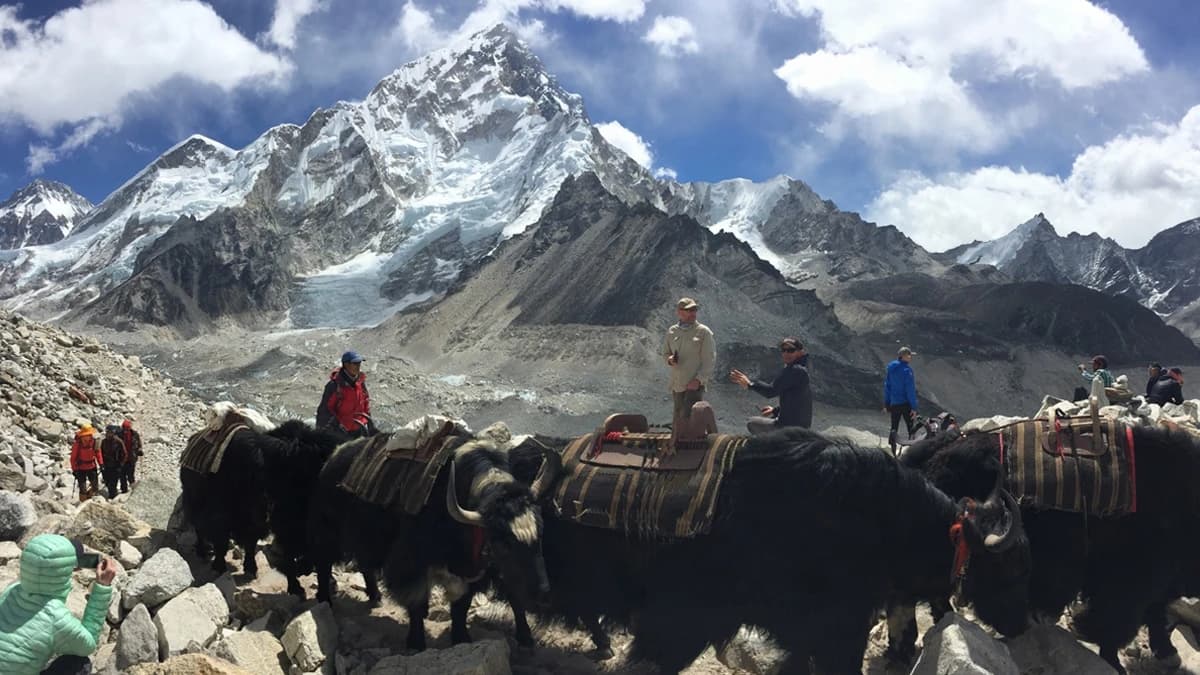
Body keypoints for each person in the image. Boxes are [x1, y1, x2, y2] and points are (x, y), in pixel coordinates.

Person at [0, 534, 116, 675]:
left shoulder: (11, 590)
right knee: (79, 663)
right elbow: (89, 644)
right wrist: (102, 587)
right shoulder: (56, 617)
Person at [729, 337, 812, 435]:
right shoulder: (802, 370)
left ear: (800, 352)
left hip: (788, 427)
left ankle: (777, 443)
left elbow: (771, 391)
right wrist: (775, 411)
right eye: (783, 350)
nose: (786, 353)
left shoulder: (794, 370)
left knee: (751, 423)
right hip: (802, 427)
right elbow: (797, 401)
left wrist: (750, 384)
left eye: (791, 350)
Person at [663, 297, 715, 431]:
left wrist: (699, 380)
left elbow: (709, 360)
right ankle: (676, 442)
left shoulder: (703, 332)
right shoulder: (672, 331)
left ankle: (692, 443)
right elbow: (665, 353)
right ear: (679, 312)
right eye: (689, 310)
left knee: (688, 419)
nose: (693, 313)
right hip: (677, 385)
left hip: (694, 385)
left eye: (694, 310)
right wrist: (670, 359)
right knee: (678, 418)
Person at [316, 351, 375, 436]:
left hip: (359, 431)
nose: (358, 366)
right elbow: (325, 410)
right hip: (339, 433)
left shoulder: (360, 382)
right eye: (355, 363)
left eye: (359, 363)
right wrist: (335, 428)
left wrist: (368, 423)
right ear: (346, 365)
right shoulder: (334, 385)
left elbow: (365, 403)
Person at [884, 346, 919, 454]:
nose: (910, 357)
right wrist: (914, 407)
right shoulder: (907, 370)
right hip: (905, 403)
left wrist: (887, 403)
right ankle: (912, 451)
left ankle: (892, 450)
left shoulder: (891, 369)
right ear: (903, 356)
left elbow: (887, 386)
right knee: (911, 428)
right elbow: (910, 390)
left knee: (894, 427)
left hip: (894, 403)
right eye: (909, 355)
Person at [68, 424, 100, 503]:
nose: (88, 436)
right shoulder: (78, 444)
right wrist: (74, 469)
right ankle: (83, 502)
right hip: (80, 468)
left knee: (95, 486)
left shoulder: (94, 442)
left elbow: (98, 453)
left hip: (91, 466)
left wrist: (101, 463)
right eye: (87, 435)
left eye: (89, 435)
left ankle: (89, 498)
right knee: (83, 488)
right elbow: (73, 458)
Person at [98, 426, 128, 499]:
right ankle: (112, 494)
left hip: (116, 465)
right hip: (106, 465)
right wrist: (101, 463)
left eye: (110, 432)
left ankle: (112, 496)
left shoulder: (118, 442)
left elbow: (124, 454)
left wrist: (121, 464)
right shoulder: (104, 442)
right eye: (107, 432)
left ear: (113, 433)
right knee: (107, 481)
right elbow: (100, 453)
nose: (108, 434)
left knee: (113, 482)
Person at [119, 420, 143, 487]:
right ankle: (124, 489)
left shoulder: (135, 434)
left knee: (131, 475)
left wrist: (139, 449)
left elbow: (139, 443)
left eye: (127, 429)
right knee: (122, 475)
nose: (125, 431)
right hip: (122, 458)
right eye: (124, 429)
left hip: (131, 458)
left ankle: (133, 488)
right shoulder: (119, 435)